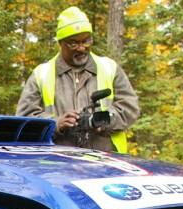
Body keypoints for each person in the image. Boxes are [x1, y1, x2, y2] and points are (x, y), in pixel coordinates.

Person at [16, 6, 140, 153]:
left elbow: (130, 107)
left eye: (86, 41)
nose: (81, 48)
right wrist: (55, 124)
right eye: (73, 43)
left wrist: (103, 120)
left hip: (106, 162)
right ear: (60, 43)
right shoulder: (41, 74)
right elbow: (23, 119)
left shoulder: (109, 68)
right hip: (58, 165)